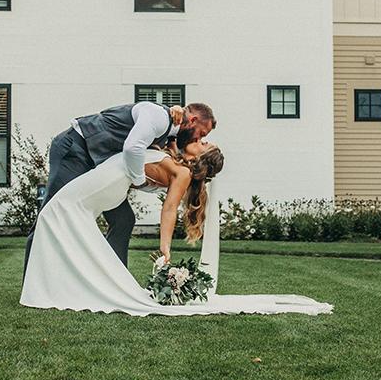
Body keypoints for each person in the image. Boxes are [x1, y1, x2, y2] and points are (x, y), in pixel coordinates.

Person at [21, 139, 333, 317]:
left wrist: (165, 250)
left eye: (205, 143)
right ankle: (61, 283)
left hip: (112, 179)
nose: (200, 140)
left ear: (203, 156)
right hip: (113, 178)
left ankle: (52, 286)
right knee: (59, 216)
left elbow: (169, 209)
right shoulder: (174, 157)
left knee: (56, 213)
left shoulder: (182, 174)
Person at [22, 101, 214, 278]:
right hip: (76, 149)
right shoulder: (159, 116)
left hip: (100, 169)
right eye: (202, 134)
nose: (199, 138)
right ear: (193, 120)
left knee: (123, 220)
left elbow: (176, 155)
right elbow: (132, 148)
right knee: (49, 215)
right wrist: (139, 180)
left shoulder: (172, 140)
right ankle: (32, 284)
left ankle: (114, 281)